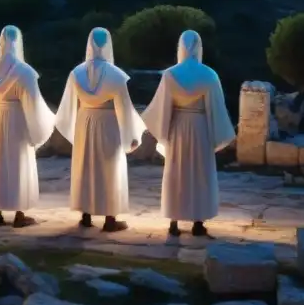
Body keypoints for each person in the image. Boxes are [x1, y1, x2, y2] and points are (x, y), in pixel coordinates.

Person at [141, 30, 236, 238]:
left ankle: (174, 222)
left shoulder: (170, 75)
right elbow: (216, 108)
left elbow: (163, 107)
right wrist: (216, 132)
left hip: (178, 127)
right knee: (200, 174)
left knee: (176, 172)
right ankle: (198, 223)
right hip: (200, 126)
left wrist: (163, 130)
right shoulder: (209, 75)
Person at [55, 28, 146, 233]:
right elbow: (124, 107)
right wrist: (132, 134)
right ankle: (110, 218)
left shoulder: (76, 73)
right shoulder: (116, 75)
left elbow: (68, 104)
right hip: (108, 122)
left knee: (85, 166)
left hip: (84, 120)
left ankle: (86, 215)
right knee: (110, 168)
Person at [0, 25, 54, 228]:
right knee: (18, 163)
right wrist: (42, 125)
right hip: (17, 119)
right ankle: (19, 214)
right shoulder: (25, 71)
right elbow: (33, 103)